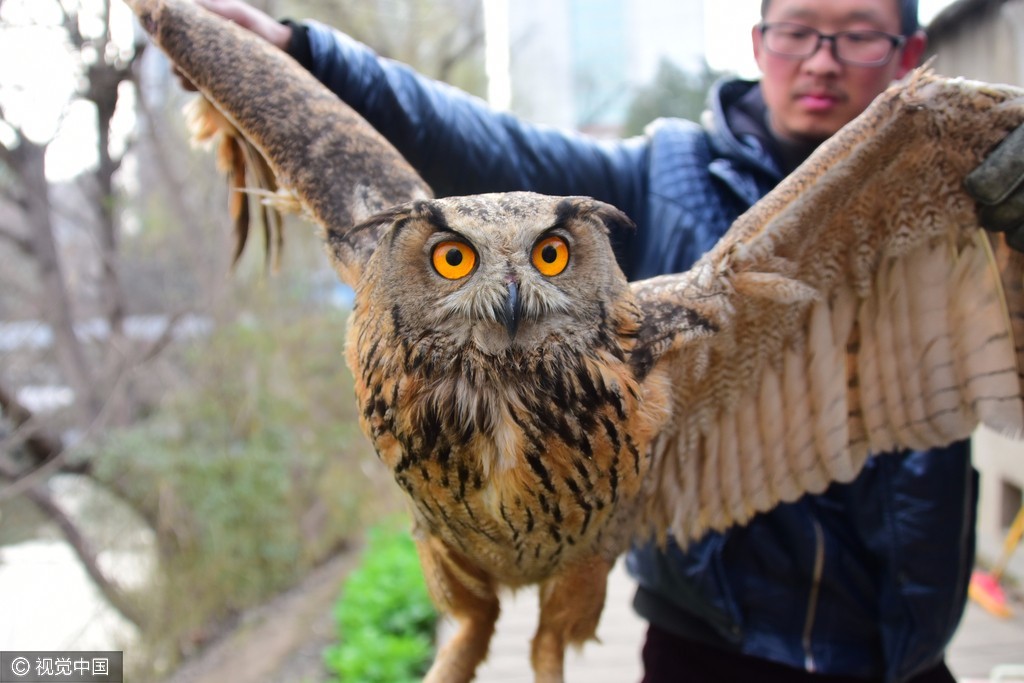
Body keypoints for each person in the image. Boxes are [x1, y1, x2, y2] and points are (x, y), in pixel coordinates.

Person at [183, 1, 1024, 681]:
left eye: (859, 34)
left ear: (910, 49)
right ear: (759, 40)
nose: (824, 58)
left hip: (905, 641)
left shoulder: (942, 162)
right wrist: (301, 52)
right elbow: (482, 144)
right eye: (800, 29)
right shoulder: (655, 176)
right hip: (716, 645)